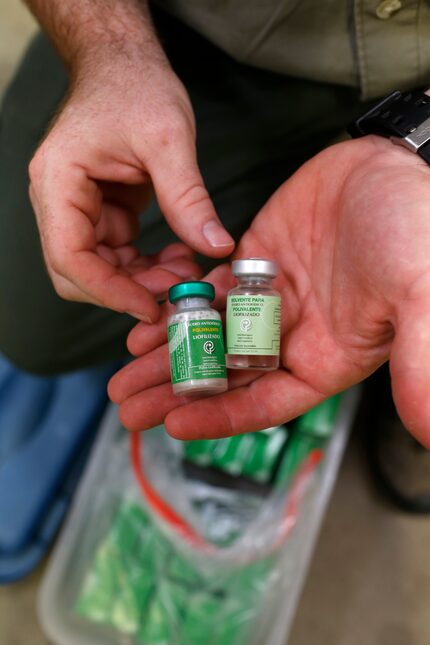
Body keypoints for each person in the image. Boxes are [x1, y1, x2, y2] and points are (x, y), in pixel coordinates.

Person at [2, 1, 430, 508]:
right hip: (184, 38)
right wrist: (110, 50)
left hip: (416, 65)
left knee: (398, 300)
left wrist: (419, 136)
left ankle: (390, 348)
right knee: (32, 322)